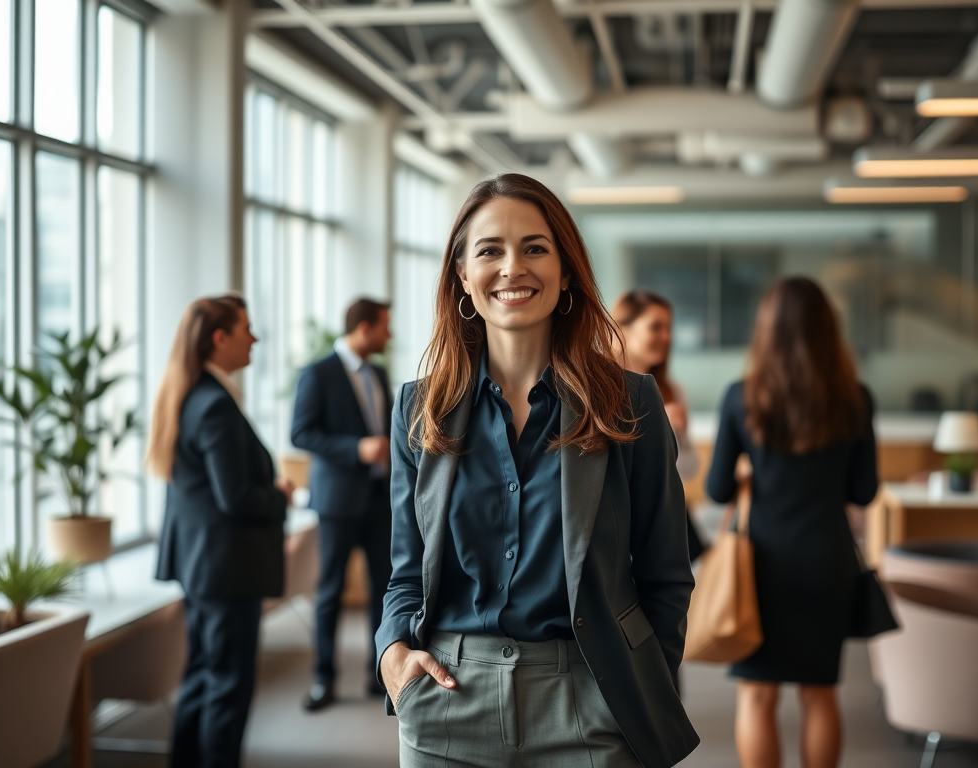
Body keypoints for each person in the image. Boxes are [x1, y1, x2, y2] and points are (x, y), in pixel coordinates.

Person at [376, 174, 699, 768]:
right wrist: (394, 653)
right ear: (462, 278)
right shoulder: (419, 409)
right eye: (490, 250)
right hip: (448, 694)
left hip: (590, 699)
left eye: (535, 248)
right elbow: (405, 571)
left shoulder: (631, 402)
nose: (512, 268)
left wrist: (642, 676)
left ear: (567, 271)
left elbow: (666, 574)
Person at [704, 277, 879, 768]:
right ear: (828, 329)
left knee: (757, 697)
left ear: (766, 330)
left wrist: (747, 472)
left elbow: (717, 490)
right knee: (820, 695)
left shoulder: (742, 397)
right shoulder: (855, 399)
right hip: (828, 562)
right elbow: (864, 491)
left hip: (761, 565)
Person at [147, 294, 293, 768]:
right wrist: (281, 495)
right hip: (226, 569)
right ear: (220, 338)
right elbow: (236, 498)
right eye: (246, 329)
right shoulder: (213, 404)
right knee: (227, 687)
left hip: (204, 566)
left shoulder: (190, 396)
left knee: (202, 678)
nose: (254, 338)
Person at [291, 298, 394, 710]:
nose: (390, 334)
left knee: (385, 589)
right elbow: (301, 433)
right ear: (364, 328)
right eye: (385, 326)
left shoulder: (380, 373)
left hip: (380, 498)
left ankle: (379, 674)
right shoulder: (317, 373)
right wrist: (356, 448)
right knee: (330, 590)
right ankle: (324, 679)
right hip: (337, 501)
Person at [612, 290, 705, 561]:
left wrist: (681, 436)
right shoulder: (599, 389)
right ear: (623, 329)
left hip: (665, 521)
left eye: (668, 328)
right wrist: (653, 423)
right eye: (656, 327)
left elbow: (688, 470)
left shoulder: (672, 391)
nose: (667, 337)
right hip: (619, 526)